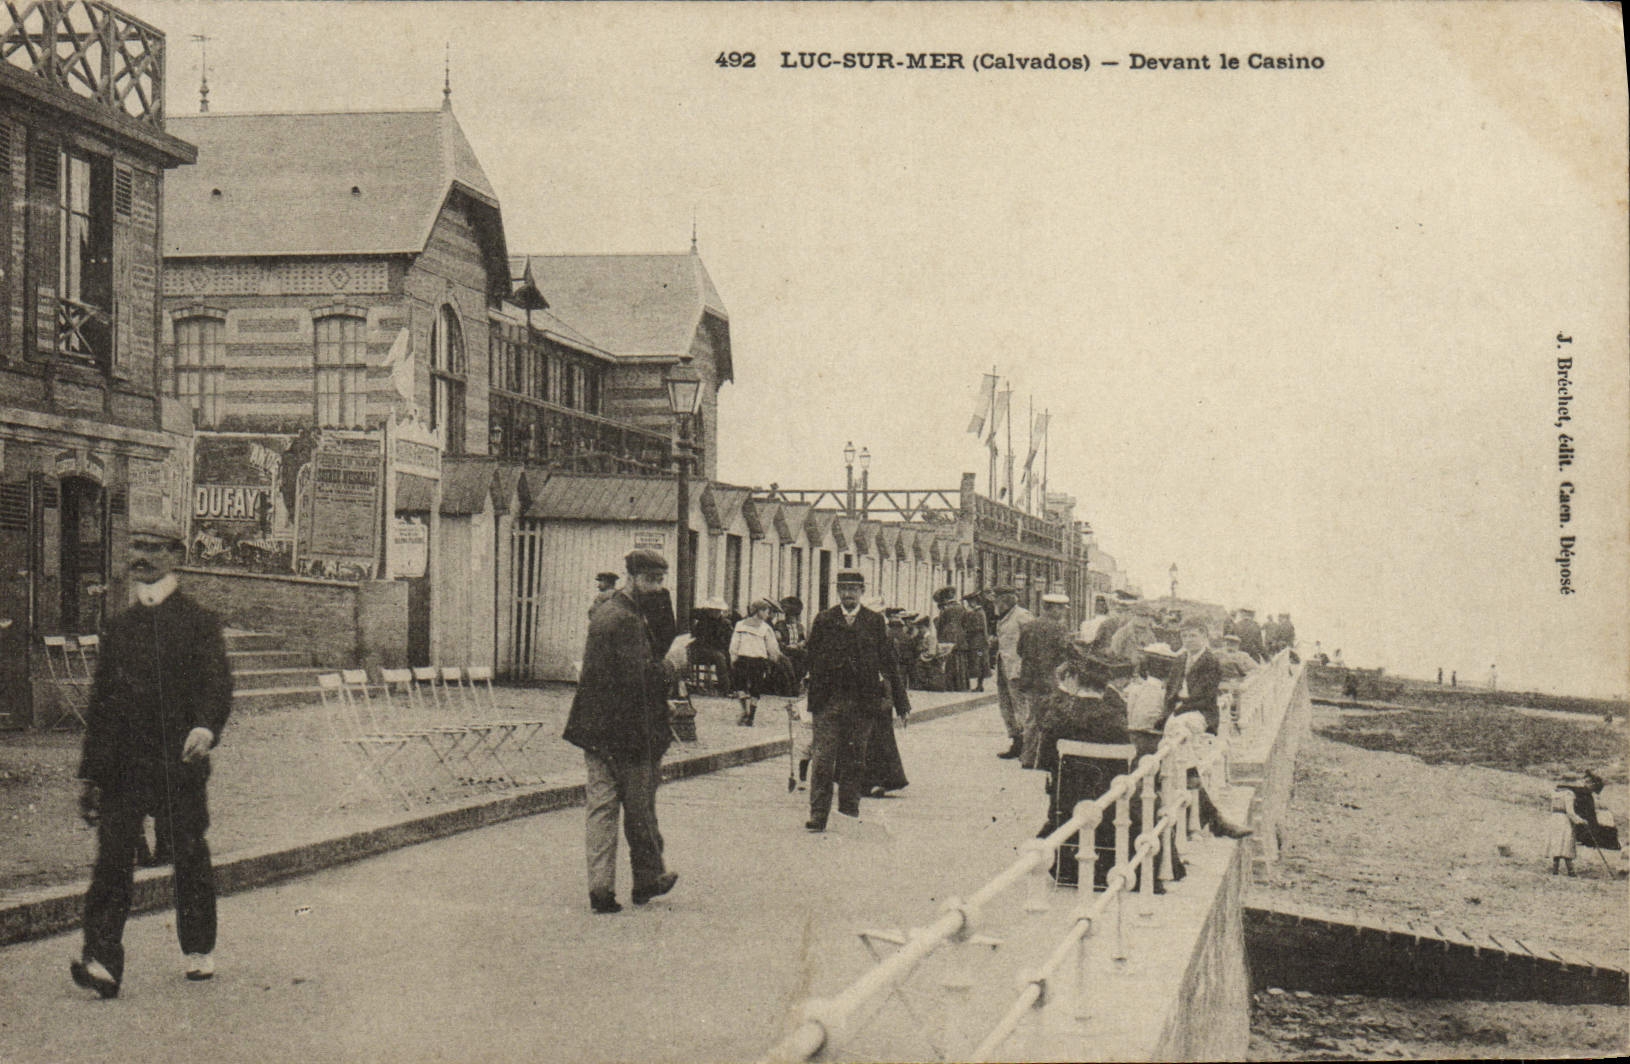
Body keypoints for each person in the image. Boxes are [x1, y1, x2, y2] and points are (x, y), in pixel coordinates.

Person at [71, 531, 234, 998]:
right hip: (123, 766)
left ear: (176, 556)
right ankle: (102, 960)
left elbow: (216, 684)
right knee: (112, 859)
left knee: (187, 852)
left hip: (178, 762)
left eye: (153, 548)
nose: (140, 556)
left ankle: (198, 947)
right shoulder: (120, 627)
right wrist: (91, 775)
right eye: (136, 547)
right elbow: (101, 705)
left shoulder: (198, 622)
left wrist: (205, 728)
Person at [562, 549, 678, 914]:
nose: (657, 587)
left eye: (660, 580)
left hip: (596, 730)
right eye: (651, 580)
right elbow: (640, 677)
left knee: (601, 809)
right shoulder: (627, 620)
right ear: (632, 577)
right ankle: (647, 879)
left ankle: (601, 888)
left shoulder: (606, 610)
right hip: (628, 732)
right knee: (640, 807)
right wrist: (672, 666)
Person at [803, 570, 910, 831]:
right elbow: (810, 658)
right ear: (838, 591)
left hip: (862, 702)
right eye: (844, 588)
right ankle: (818, 816)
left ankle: (849, 811)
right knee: (823, 761)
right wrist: (803, 691)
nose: (848, 594)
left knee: (854, 759)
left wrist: (901, 703)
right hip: (828, 701)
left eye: (853, 589)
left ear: (862, 591)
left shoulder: (874, 621)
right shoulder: (824, 619)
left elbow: (888, 663)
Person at [1017, 593, 1074, 768]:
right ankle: (1043, 759)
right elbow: (1065, 653)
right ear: (1053, 609)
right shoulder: (1059, 628)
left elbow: (1020, 650)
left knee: (1032, 718)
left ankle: (1028, 757)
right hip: (1050, 679)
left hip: (1030, 679)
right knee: (1050, 718)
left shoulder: (1029, 626)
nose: (1063, 613)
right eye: (1061, 609)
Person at [991, 586, 1034, 759]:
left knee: (1021, 706)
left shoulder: (1022, 616)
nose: (995, 604)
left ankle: (1027, 745)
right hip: (1004, 667)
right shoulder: (1004, 616)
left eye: (997, 600)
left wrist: (1026, 666)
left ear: (1006, 600)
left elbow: (1031, 641)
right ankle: (1016, 741)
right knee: (1006, 706)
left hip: (1017, 668)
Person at [1161, 618, 1222, 735]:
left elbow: (1205, 698)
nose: (1188, 640)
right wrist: (1168, 711)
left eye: (1193, 636)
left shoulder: (1211, 661)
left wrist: (1180, 709)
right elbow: (1170, 690)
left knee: (1180, 728)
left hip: (1200, 711)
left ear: (1204, 636)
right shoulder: (1180, 660)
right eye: (1184, 636)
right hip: (1177, 709)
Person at [729, 598, 785, 726]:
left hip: (742, 659)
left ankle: (745, 710)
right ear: (758, 611)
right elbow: (772, 647)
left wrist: (733, 658)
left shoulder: (740, 625)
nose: (767, 614)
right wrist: (774, 659)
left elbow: (734, 644)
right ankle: (751, 716)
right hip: (758, 661)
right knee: (755, 688)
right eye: (766, 611)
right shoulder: (766, 628)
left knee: (740, 686)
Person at [687, 598, 734, 693]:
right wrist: (704, 611)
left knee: (729, 657)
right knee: (719, 657)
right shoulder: (703, 621)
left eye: (718, 610)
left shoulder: (725, 623)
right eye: (713, 610)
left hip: (719, 649)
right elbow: (691, 613)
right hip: (702, 650)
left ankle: (732, 686)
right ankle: (725, 688)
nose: (716, 612)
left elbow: (730, 639)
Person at [1546, 776, 1589, 876]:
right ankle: (1571, 871)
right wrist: (1581, 821)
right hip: (1564, 820)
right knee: (1566, 844)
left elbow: (1551, 809)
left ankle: (1555, 869)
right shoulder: (1568, 794)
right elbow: (1570, 812)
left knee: (1557, 843)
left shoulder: (1554, 793)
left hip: (1554, 819)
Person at [932, 587, 967, 692]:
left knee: (949, 661)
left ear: (945, 598)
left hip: (947, 636)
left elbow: (940, 625)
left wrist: (939, 636)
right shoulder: (962, 608)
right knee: (960, 660)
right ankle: (961, 685)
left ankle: (950, 685)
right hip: (960, 637)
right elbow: (965, 623)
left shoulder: (946, 610)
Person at [959, 591, 991, 692]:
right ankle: (979, 685)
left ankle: (979, 685)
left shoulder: (977, 612)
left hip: (978, 643)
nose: (969, 604)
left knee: (979, 662)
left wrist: (967, 629)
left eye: (970, 602)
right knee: (980, 662)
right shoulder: (979, 612)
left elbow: (978, 627)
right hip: (978, 642)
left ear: (974, 601)